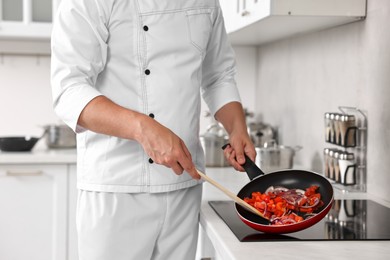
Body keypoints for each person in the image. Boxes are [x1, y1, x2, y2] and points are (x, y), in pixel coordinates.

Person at [50, 0, 255, 259]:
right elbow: (69, 90)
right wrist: (143, 128)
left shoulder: (207, 3)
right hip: (117, 186)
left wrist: (237, 129)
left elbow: (218, 75)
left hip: (184, 186)